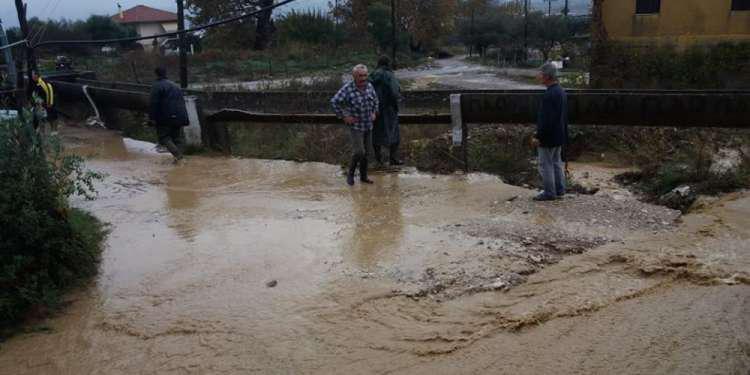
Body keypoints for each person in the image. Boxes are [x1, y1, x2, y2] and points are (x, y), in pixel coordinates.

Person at [331, 64, 379, 186]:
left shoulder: (369, 86)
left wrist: (374, 112)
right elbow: (334, 101)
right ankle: (350, 174)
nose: (363, 78)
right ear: (354, 76)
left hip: (368, 125)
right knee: (359, 152)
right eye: (360, 76)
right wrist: (344, 116)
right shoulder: (347, 88)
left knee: (367, 153)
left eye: (365, 75)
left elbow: (376, 100)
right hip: (356, 126)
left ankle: (363, 177)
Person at [532, 62, 568, 201]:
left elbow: (546, 120)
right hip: (559, 135)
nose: (538, 76)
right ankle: (560, 190)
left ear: (547, 76)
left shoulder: (549, 95)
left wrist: (538, 135)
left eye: (540, 73)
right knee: (556, 163)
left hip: (548, 136)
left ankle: (549, 193)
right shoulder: (561, 91)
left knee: (545, 164)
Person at [149, 66, 189, 163]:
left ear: (156, 74)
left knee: (164, 138)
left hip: (165, 116)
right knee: (177, 139)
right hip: (180, 115)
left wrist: (151, 118)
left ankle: (179, 157)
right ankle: (179, 160)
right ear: (165, 73)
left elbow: (154, 103)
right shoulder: (175, 85)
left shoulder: (156, 86)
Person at [369, 56, 402, 166]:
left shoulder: (372, 75)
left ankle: (378, 159)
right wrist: (396, 103)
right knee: (394, 133)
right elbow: (394, 92)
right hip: (389, 109)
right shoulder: (389, 75)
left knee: (376, 134)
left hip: (375, 109)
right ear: (388, 64)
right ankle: (393, 158)